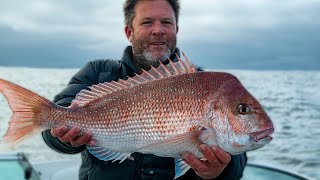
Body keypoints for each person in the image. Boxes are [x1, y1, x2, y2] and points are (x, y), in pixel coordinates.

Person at [42, 0, 247, 179]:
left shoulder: (202, 83)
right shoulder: (97, 73)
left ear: (176, 29)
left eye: (166, 22)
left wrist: (220, 171)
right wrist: (62, 136)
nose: (158, 30)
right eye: (147, 22)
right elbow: (56, 117)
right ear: (129, 32)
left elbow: (238, 157)